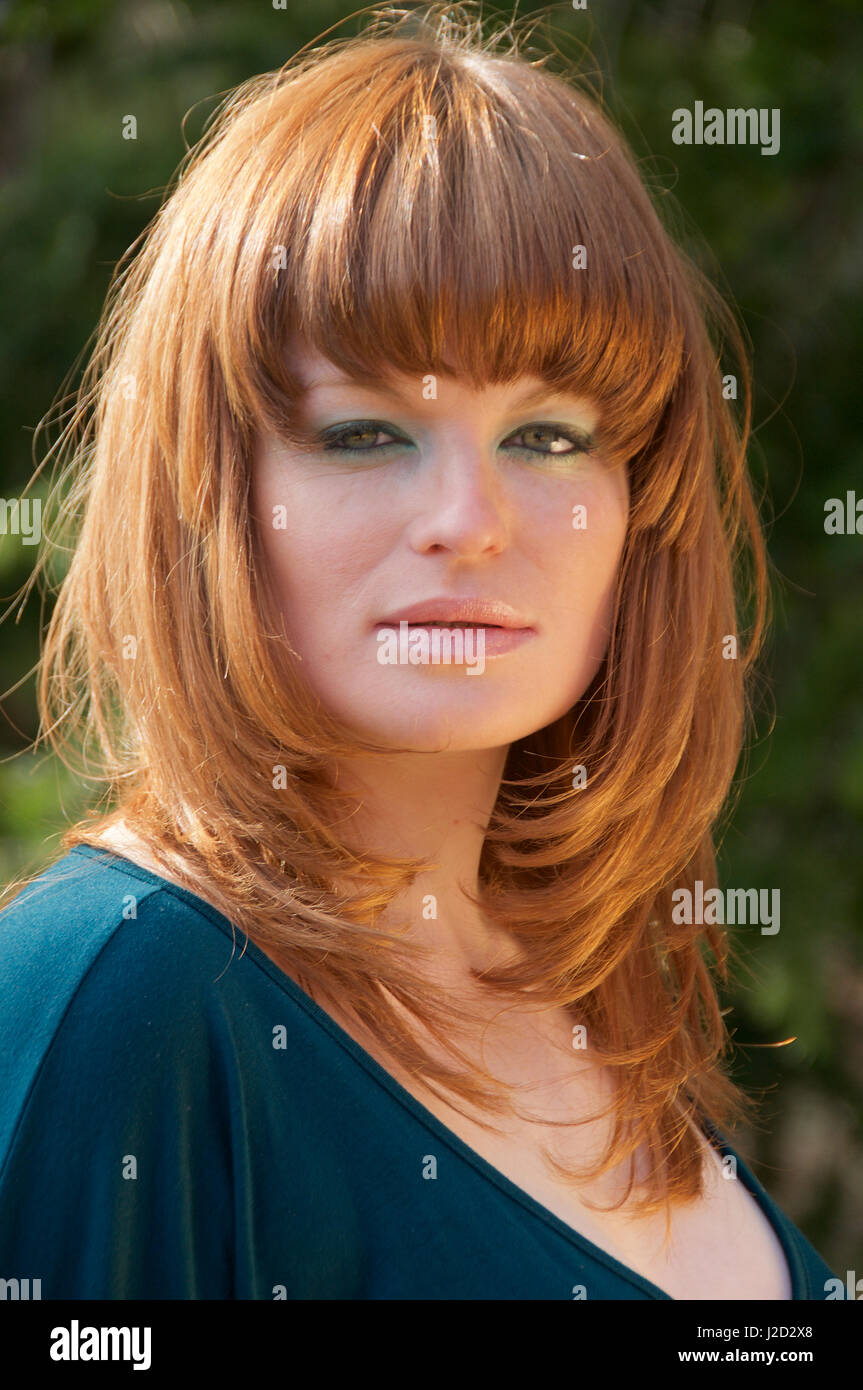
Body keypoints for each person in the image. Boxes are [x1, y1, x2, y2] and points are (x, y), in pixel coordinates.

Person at [0, 5, 842, 1300]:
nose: (469, 520)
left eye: (551, 434)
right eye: (364, 432)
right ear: (208, 489)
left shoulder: (602, 996)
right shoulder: (120, 994)